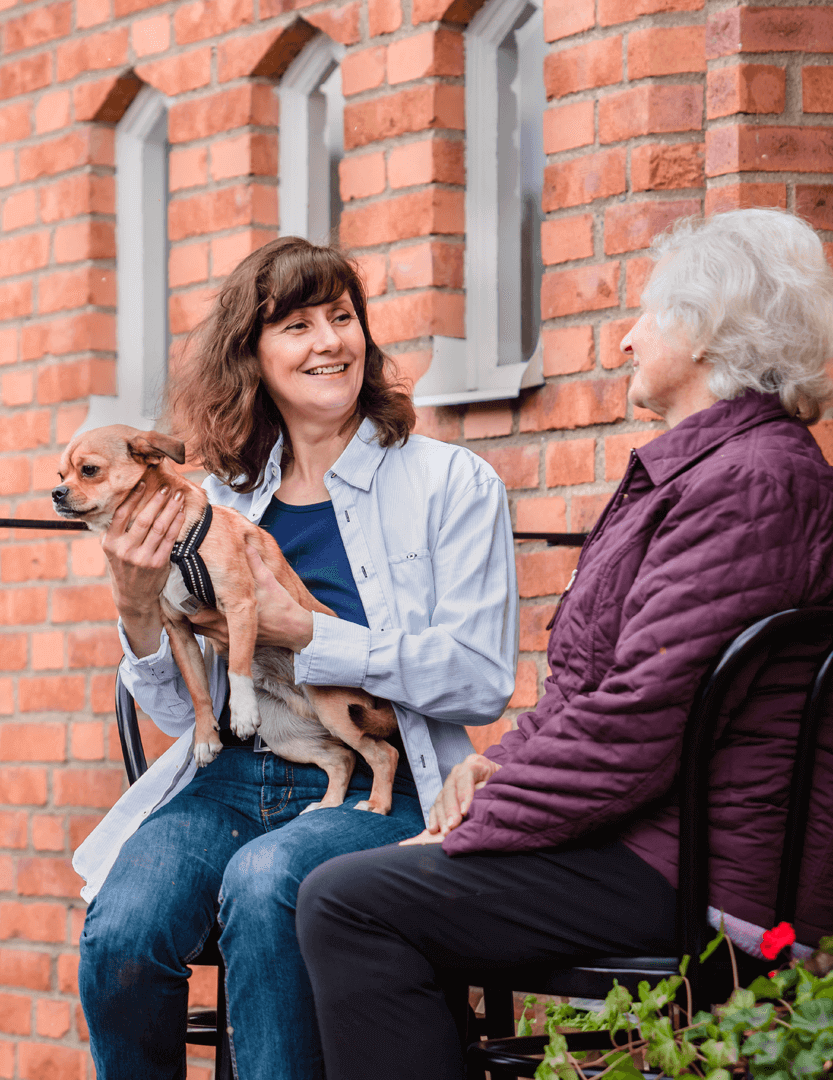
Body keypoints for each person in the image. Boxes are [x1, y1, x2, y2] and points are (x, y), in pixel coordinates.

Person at [295, 208, 833, 1080]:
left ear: (705, 333)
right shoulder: (723, 472)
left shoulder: (750, 488)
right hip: (662, 840)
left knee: (351, 900)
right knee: (372, 887)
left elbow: (640, 722)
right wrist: (496, 770)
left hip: (708, 876)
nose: (626, 340)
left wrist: (478, 826)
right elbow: (599, 694)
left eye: (650, 314)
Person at [73, 236, 519, 1079]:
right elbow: (178, 713)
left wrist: (307, 633)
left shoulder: (450, 483)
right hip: (233, 780)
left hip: (392, 785)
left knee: (266, 881)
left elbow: (480, 679)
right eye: (296, 326)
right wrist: (135, 607)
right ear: (253, 358)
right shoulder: (219, 502)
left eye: (342, 318)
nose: (328, 343)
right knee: (126, 925)